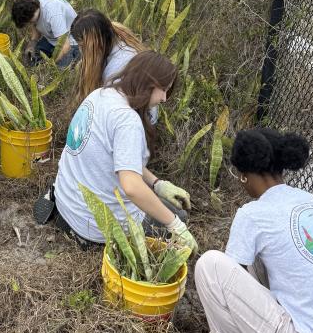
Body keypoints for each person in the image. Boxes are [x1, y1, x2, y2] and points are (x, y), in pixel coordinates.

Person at [34, 51, 197, 251]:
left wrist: (157, 184)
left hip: (67, 202)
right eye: (163, 89)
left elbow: (117, 157)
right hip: (95, 228)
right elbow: (131, 187)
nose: (164, 98)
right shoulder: (127, 120)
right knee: (180, 217)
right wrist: (175, 224)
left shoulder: (100, 95)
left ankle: (63, 217)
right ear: (146, 83)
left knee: (165, 208)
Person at [195, 128, 313, 333]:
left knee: (210, 265)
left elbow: (233, 278)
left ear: (244, 177)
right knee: (264, 253)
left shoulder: (253, 214)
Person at [71, 8, 159, 124]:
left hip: (137, 122)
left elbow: (110, 111)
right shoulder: (114, 37)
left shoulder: (117, 68)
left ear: (94, 45)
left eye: (82, 46)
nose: (81, 51)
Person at [11, 0, 79, 67]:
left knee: (59, 71)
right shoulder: (31, 2)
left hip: (71, 42)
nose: (30, 24)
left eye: (30, 21)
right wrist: (33, 42)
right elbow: (35, 25)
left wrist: (51, 65)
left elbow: (65, 45)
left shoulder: (53, 14)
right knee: (32, 58)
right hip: (52, 38)